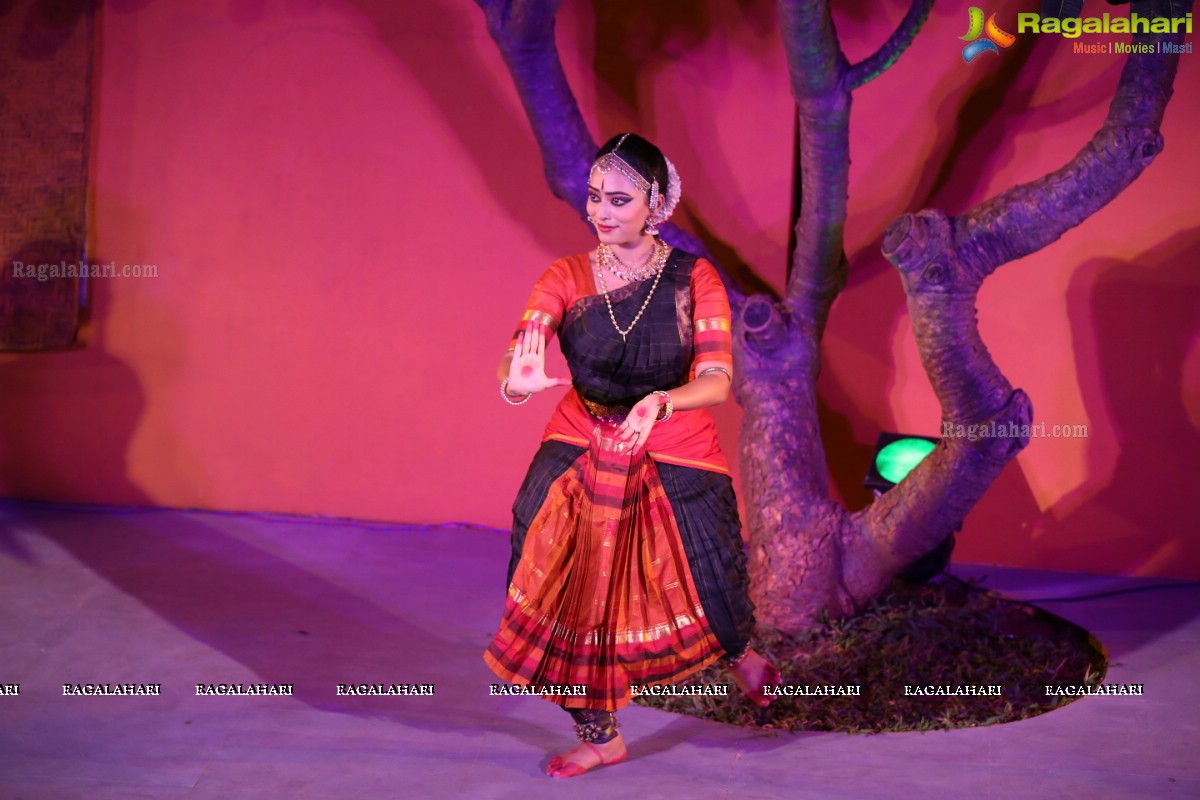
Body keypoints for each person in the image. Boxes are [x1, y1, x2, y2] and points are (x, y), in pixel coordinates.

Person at [484, 133, 778, 779]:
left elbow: (718, 379)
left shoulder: (691, 278)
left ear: (658, 202)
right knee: (553, 567)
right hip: (582, 433)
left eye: (620, 198)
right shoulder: (564, 275)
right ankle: (600, 732)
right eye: (594, 197)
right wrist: (517, 376)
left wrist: (662, 403)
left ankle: (743, 657)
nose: (602, 211)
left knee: (712, 572)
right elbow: (524, 345)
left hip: (672, 438)